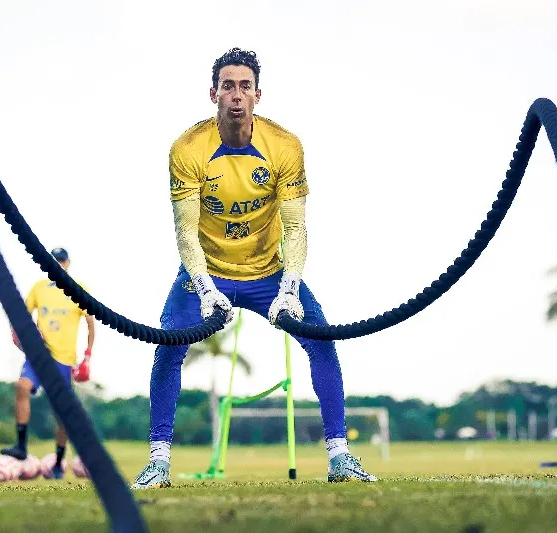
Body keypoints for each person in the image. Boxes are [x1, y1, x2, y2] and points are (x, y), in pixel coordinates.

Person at [131, 48, 376, 489]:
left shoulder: (284, 146)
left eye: (245, 86)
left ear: (258, 95)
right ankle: (158, 462)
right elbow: (185, 233)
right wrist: (205, 288)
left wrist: (289, 289)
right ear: (213, 94)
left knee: (322, 342)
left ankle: (340, 457)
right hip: (205, 271)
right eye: (228, 86)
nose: (237, 95)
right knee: (169, 345)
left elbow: (297, 227)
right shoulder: (187, 148)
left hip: (269, 273)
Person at [0, 247, 95, 479]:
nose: (58, 264)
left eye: (61, 261)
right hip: (39, 356)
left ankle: (58, 463)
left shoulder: (78, 289)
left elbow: (91, 323)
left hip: (64, 360)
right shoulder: (39, 288)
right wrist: (19, 335)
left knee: (61, 414)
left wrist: (88, 356)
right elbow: (21, 317)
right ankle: (21, 447)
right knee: (22, 386)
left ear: (68, 263)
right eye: (54, 261)